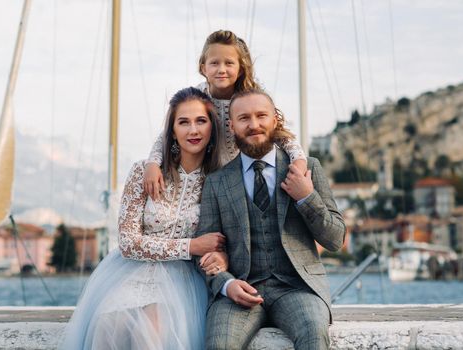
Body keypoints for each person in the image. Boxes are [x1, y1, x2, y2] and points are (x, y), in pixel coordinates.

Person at [59, 87, 228, 350]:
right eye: (183, 122)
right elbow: (127, 242)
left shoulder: (219, 180)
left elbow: (223, 241)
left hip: (182, 279)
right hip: (130, 271)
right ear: (171, 131)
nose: (193, 130)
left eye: (200, 121)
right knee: (106, 327)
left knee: (150, 334)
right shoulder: (143, 171)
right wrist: (190, 246)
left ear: (212, 128)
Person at [195, 89, 346, 350]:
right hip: (240, 290)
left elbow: (335, 240)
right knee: (219, 345)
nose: (254, 125)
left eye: (261, 115)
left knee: (314, 336)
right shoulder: (216, 182)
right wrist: (226, 284)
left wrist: (306, 197)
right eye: (244, 118)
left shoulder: (307, 168)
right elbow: (206, 253)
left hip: (298, 289)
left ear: (275, 120)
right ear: (231, 126)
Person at [143, 30, 308, 200]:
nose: (221, 69)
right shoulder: (198, 96)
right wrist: (153, 163)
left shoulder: (251, 97)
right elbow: (171, 131)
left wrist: (299, 160)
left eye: (229, 63)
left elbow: (279, 131)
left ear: (240, 67)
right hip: (208, 174)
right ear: (203, 68)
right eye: (214, 63)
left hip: (244, 174)